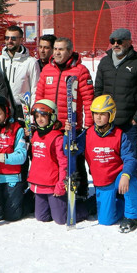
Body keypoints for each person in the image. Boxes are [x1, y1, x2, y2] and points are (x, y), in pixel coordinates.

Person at [35, 37, 94, 198]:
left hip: (70, 126)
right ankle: (55, 191)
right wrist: (37, 119)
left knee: (75, 160)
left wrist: (88, 125)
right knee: (53, 161)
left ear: (69, 51)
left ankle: (79, 194)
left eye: (60, 49)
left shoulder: (80, 71)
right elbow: (39, 96)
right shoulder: (47, 69)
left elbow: (88, 99)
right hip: (50, 126)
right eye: (55, 49)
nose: (56, 52)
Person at [75, 95, 137, 232]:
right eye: (96, 114)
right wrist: (67, 137)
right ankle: (120, 202)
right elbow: (71, 151)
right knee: (106, 221)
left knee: (131, 179)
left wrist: (126, 175)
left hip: (118, 176)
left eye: (103, 114)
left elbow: (130, 158)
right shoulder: (87, 134)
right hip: (103, 181)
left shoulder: (120, 135)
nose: (98, 117)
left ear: (111, 115)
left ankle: (132, 216)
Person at [94, 28, 137, 150]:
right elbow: (98, 89)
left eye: (120, 41)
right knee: (110, 157)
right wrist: (99, 114)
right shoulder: (105, 62)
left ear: (130, 42)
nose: (116, 44)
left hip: (130, 125)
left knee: (132, 157)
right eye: (113, 41)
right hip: (108, 123)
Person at [0, 95, 28, 222]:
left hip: (12, 178)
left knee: (12, 216)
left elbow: (21, 156)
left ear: (6, 112)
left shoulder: (17, 129)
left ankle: (29, 198)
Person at [26, 99, 72, 224]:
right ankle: (55, 208)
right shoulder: (35, 134)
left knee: (61, 219)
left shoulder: (57, 137)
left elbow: (63, 164)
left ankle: (84, 207)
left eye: (43, 116)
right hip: (40, 183)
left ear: (52, 116)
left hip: (53, 185)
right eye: (37, 116)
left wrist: (61, 185)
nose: (39, 119)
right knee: (41, 217)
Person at [0, 25, 39, 114]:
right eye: (7, 38)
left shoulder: (31, 62)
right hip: (2, 111)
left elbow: (35, 90)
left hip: (23, 112)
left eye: (13, 38)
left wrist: (32, 113)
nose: (9, 41)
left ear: (21, 40)